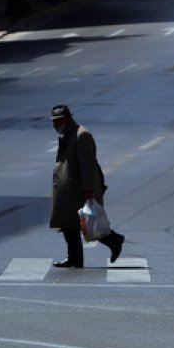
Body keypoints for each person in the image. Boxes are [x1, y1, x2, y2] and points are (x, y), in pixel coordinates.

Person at [49, 104, 124, 268]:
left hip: (78, 190)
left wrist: (89, 191)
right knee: (69, 226)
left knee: (89, 224)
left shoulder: (82, 135)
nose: (54, 124)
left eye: (57, 121)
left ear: (67, 119)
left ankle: (114, 240)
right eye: (53, 121)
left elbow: (88, 165)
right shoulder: (66, 134)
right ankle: (74, 258)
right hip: (69, 190)